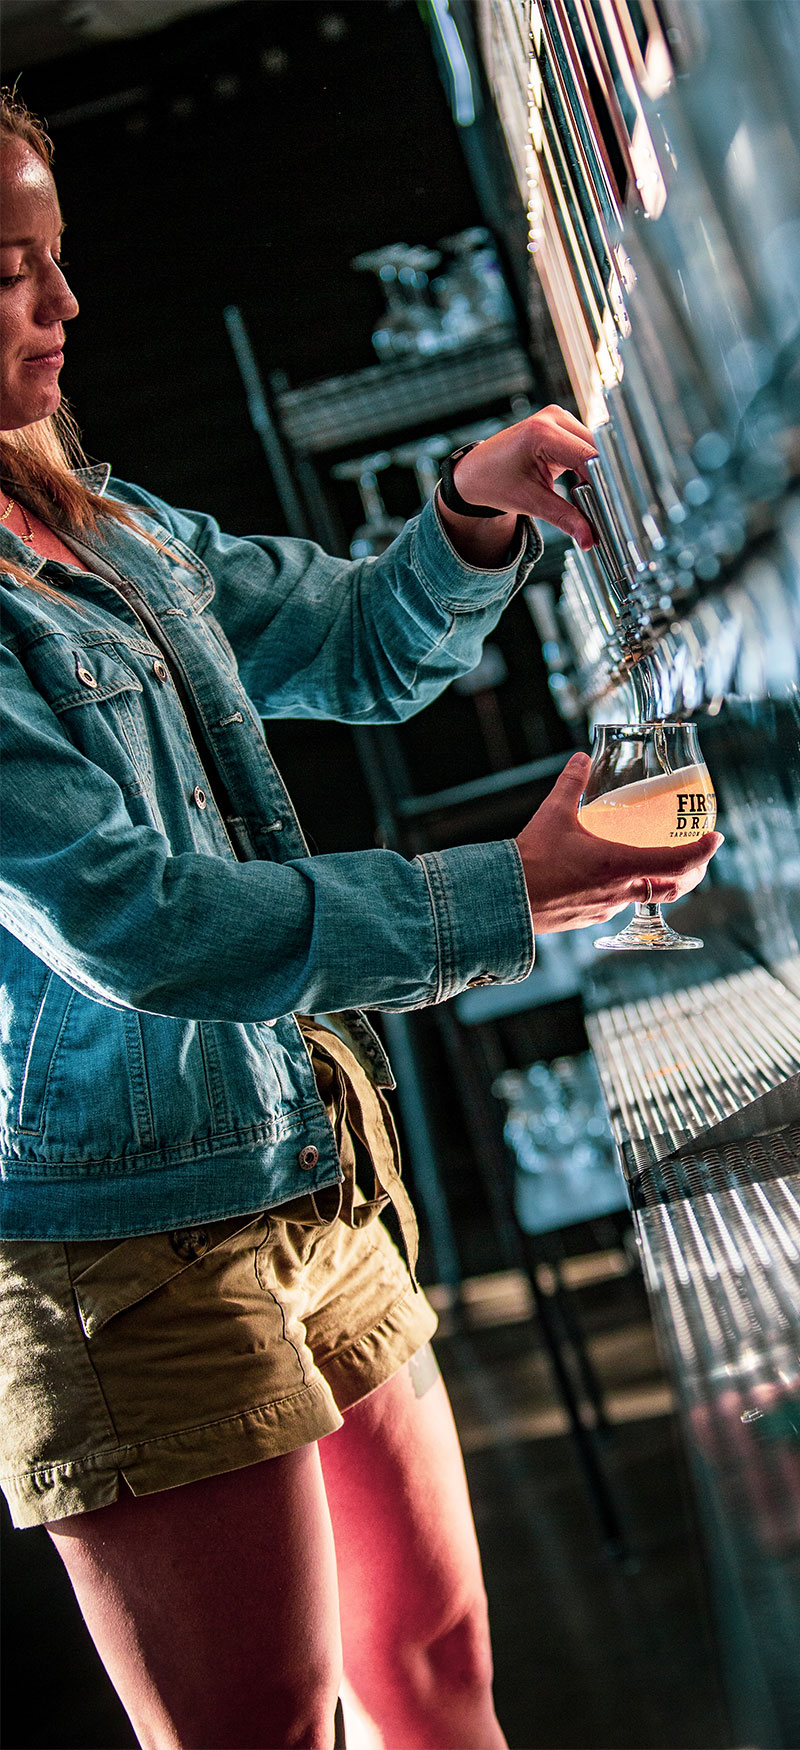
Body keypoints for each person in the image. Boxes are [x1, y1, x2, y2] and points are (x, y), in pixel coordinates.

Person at [0, 89, 721, 1750]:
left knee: (437, 1668)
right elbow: (139, 925)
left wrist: (471, 510)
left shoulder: (100, 527)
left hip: (307, 1166)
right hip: (128, 1258)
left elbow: (360, 644)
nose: (66, 305)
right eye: (12, 272)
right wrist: (512, 888)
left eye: (59, 260)